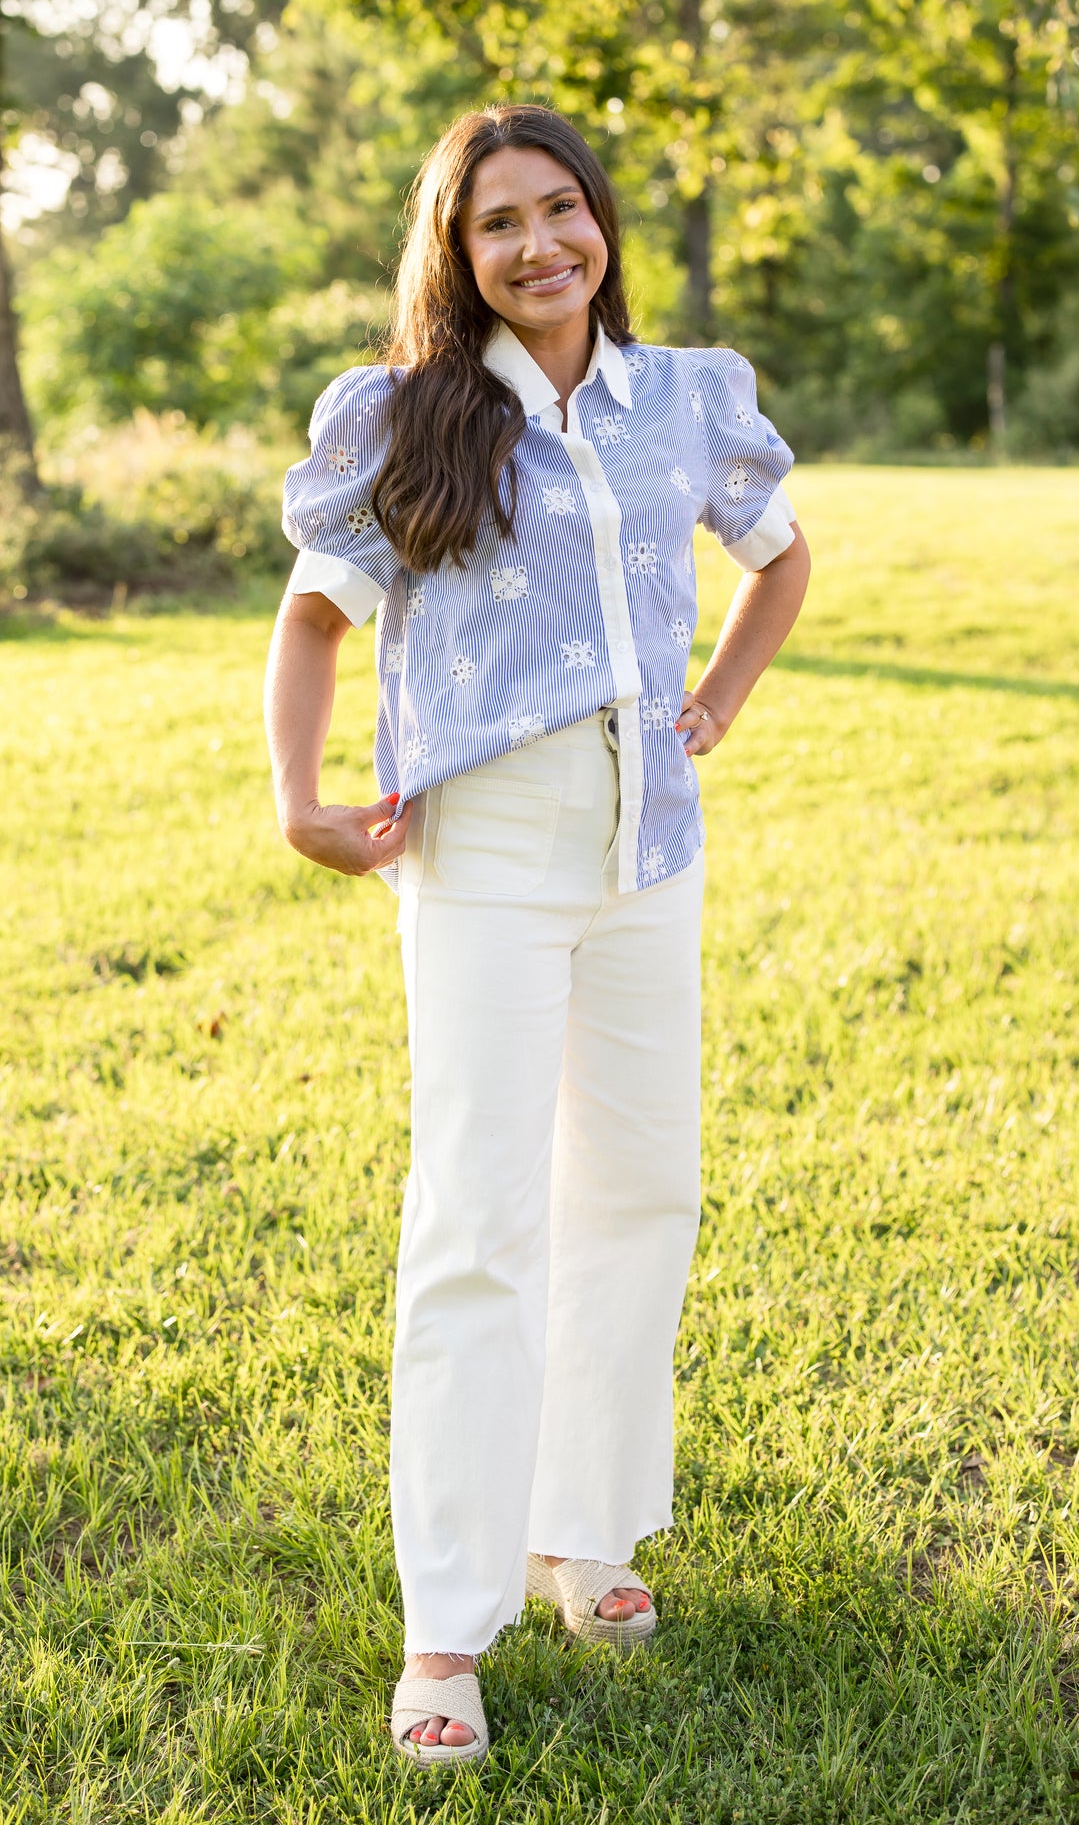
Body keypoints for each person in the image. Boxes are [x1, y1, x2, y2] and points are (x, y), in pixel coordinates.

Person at [263, 103, 809, 1767]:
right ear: (457, 250)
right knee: (478, 1218)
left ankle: (582, 1532)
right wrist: (299, 796)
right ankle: (445, 1627)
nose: (537, 246)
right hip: (485, 848)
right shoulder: (403, 416)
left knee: (641, 1188)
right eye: (496, 222)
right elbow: (310, 617)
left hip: (651, 845)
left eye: (559, 211)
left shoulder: (685, 397)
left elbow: (776, 561)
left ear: (601, 226)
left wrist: (713, 699)